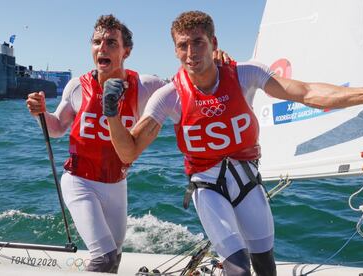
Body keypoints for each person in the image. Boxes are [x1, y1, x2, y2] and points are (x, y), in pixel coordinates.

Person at [104, 11, 363, 276]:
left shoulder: (244, 74)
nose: (190, 52)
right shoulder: (169, 96)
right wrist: (112, 114)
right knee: (237, 267)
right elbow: (128, 151)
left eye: (198, 42)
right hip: (207, 188)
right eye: (182, 45)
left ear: (214, 44)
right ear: (175, 50)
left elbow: (303, 93)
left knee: (265, 266)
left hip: (249, 183)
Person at [26, 14, 231, 274]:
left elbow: (189, 85)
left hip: (116, 184)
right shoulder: (78, 87)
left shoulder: (146, 86)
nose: (102, 48)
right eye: (97, 41)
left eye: (112, 43)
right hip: (80, 180)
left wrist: (215, 60)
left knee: (116, 256)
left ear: (126, 51)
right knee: (103, 257)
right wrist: (41, 113)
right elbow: (56, 129)